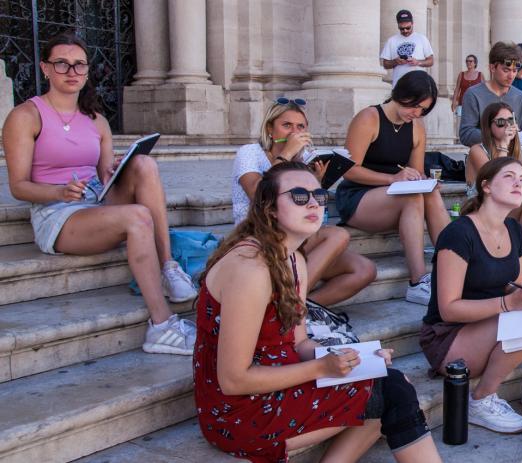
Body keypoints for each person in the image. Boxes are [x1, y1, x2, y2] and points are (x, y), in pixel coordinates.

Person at [197, 162, 439, 462]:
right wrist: (321, 369)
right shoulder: (251, 268)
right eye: (298, 196)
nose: (313, 203)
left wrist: (357, 357)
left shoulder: (294, 259)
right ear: (270, 208)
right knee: (392, 391)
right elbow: (233, 380)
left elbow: (299, 344)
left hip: (281, 381)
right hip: (240, 410)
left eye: (319, 196)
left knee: (388, 380)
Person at [3, 32, 199, 355]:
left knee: (144, 166)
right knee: (137, 217)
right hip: (56, 214)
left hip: (92, 202)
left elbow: (104, 176)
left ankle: (168, 268)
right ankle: (161, 326)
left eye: (79, 65)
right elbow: (18, 186)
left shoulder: (96, 121)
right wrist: (58, 192)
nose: (71, 72)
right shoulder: (26, 116)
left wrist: (114, 172)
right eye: (62, 64)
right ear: (45, 68)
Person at [421, 157, 522, 432]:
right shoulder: (459, 233)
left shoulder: (513, 229)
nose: (518, 184)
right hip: (449, 337)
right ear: (485, 186)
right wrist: (508, 303)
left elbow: (514, 285)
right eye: (509, 177)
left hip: (489, 326)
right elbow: (449, 308)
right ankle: (481, 399)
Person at [233, 99, 376, 307]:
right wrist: (285, 155)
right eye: (287, 125)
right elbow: (258, 194)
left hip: (295, 236)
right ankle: (287, 302)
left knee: (365, 269)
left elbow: (305, 207)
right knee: (339, 234)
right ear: (270, 129)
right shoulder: (249, 153)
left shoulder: (305, 158)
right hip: (260, 235)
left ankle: (298, 307)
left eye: (300, 126)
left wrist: (317, 182)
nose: (294, 132)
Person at [336, 71, 450, 306]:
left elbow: (415, 173)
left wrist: (424, 181)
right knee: (412, 198)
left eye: (423, 110)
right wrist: (393, 179)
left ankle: (455, 265)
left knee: (429, 193)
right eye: (415, 106)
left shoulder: (416, 127)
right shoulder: (369, 118)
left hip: (394, 198)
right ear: (401, 94)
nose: (417, 113)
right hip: (359, 196)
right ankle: (417, 281)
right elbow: (348, 170)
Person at [465, 102, 522, 228]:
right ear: (489, 126)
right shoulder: (477, 150)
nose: (507, 125)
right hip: (483, 207)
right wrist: (503, 145)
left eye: (511, 121)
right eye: (501, 122)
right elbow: (495, 182)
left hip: (509, 206)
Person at [459, 42, 522, 147]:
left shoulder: (521, 98)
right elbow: (466, 134)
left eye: (514, 70)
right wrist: (498, 135)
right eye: (506, 70)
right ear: (492, 68)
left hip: (514, 159)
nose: (511, 76)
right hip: (484, 158)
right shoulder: (473, 95)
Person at [380, 9, 434, 86]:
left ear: (412, 23)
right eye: (402, 29)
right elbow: (385, 64)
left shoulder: (422, 38)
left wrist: (417, 62)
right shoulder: (391, 40)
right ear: (398, 25)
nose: (405, 31)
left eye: (408, 28)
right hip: (399, 84)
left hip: (419, 84)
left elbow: (431, 61)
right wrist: (396, 62)